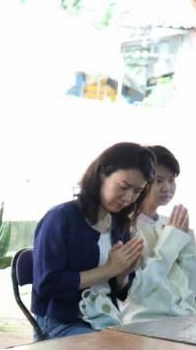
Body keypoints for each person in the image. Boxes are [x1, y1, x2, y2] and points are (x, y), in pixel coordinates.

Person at [32, 143, 153, 338]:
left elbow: (121, 291)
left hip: (104, 319)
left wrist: (122, 275)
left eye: (137, 191)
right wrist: (110, 269)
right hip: (60, 323)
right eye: (123, 186)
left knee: (148, 346)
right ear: (101, 174)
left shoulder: (118, 224)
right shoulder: (60, 218)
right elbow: (48, 285)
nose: (128, 197)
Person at [120, 145, 196, 324]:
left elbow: (193, 287)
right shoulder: (125, 227)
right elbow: (136, 291)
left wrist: (187, 244)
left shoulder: (173, 224)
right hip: (141, 322)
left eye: (171, 180)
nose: (167, 188)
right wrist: (172, 241)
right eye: (158, 180)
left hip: (185, 319)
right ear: (141, 183)